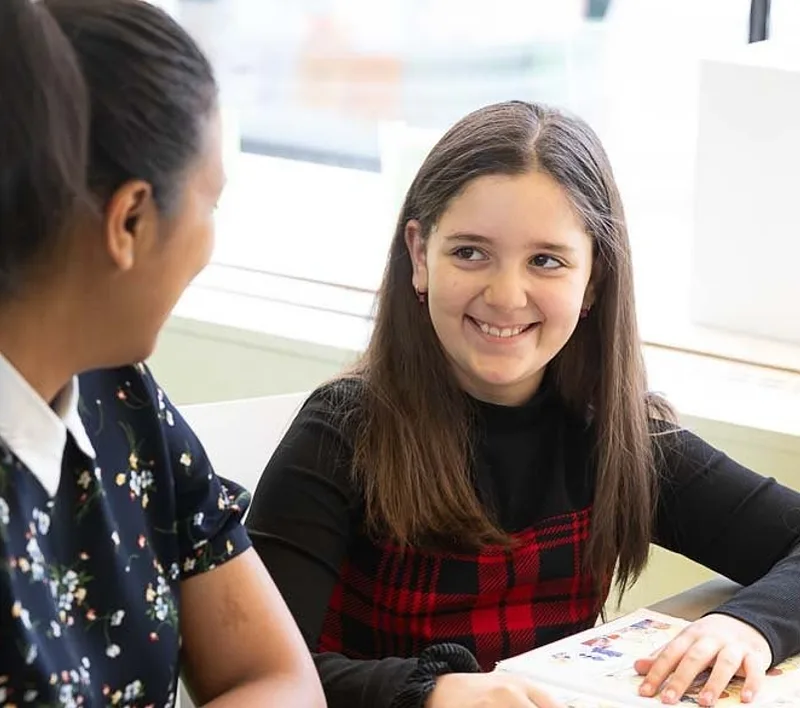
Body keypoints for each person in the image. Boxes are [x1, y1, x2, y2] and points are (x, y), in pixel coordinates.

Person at [245, 100, 800, 708]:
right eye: (470, 252)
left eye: (545, 261)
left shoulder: (619, 438)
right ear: (420, 255)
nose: (507, 296)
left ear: (593, 280)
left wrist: (749, 625)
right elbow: (256, 674)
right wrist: (430, 694)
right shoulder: (340, 433)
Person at [0, 1, 325, 706]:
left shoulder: (118, 393)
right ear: (131, 220)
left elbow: (282, 679)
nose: (210, 243)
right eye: (211, 204)